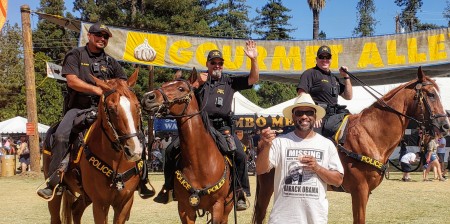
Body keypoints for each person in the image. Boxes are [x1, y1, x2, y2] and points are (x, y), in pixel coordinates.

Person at [37, 22, 153, 199]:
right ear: (89, 36)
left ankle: (142, 179)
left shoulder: (111, 62)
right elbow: (72, 81)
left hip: (107, 110)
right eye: (98, 35)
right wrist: (97, 90)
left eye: (105, 36)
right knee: (60, 135)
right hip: (78, 108)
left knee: (136, 134)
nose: (102, 39)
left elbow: (123, 85)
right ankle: (55, 180)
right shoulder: (75, 55)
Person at [153, 40, 259, 211]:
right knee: (170, 150)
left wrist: (253, 60)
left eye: (220, 63)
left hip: (222, 127)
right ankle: (168, 188)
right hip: (200, 127)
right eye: (213, 63)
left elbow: (253, 78)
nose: (217, 66)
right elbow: (184, 94)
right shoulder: (199, 80)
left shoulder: (229, 81)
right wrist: (196, 84)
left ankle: (240, 191)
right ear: (207, 64)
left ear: (222, 65)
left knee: (239, 153)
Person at [256, 93, 344, 223]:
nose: (304, 116)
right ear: (293, 116)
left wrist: (317, 168)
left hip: (315, 219)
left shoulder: (327, 145)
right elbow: (260, 169)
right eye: (299, 113)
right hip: (282, 219)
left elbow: (338, 180)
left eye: (309, 112)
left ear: (315, 116)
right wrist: (267, 146)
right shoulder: (280, 142)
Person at [296, 45, 352, 136]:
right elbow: (302, 94)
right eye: (321, 57)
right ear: (316, 59)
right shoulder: (310, 73)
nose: (324, 60)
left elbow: (348, 96)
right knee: (315, 142)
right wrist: (314, 114)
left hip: (335, 116)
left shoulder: (334, 78)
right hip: (318, 117)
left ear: (331, 59)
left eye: (327, 57)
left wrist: (346, 76)